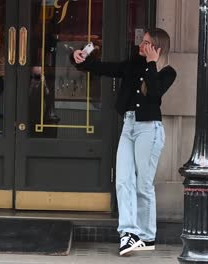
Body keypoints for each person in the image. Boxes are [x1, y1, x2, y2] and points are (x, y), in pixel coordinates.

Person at [73, 28, 176, 256]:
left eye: (147, 43)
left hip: (149, 129)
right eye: (143, 40)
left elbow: (154, 94)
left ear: (158, 48)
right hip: (129, 126)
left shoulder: (168, 72)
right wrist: (82, 61)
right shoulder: (133, 63)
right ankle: (129, 233)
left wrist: (151, 63)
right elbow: (108, 68)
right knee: (123, 180)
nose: (142, 45)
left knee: (143, 185)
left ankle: (147, 236)